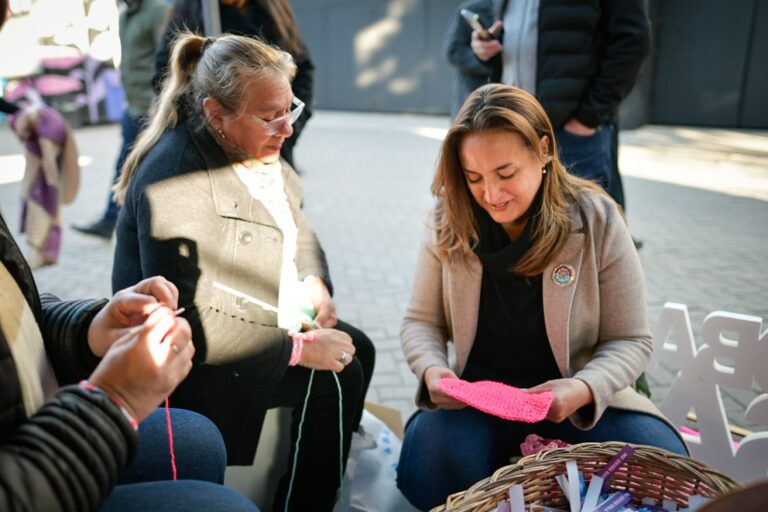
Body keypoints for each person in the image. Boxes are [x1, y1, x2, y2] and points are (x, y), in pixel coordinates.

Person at [112, 32, 374, 511]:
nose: (287, 128)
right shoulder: (176, 174)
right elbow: (190, 322)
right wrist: (298, 349)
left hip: (248, 316)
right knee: (338, 374)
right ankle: (302, 502)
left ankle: (314, 483)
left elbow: (297, 222)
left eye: (289, 108)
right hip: (190, 365)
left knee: (360, 349)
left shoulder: (250, 145)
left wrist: (314, 279)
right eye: (271, 115)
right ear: (216, 113)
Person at [395, 85, 686, 511]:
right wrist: (433, 370)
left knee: (660, 462)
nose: (490, 195)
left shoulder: (596, 218)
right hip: (476, 398)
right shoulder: (448, 220)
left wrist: (583, 388)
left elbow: (631, 340)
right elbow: (421, 322)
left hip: (574, 400)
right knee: (432, 463)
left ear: (544, 150)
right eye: (473, 178)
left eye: (506, 173)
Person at [443, 0, 650, 223]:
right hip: (511, 130)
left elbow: (631, 42)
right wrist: (484, 50)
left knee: (583, 230)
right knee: (510, 232)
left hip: (570, 132)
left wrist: (587, 119)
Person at [154, 0, 314, 168]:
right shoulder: (191, 9)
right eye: (267, 118)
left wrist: (281, 123)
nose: (286, 131)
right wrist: (208, 135)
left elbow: (302, 67)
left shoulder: (273, 7)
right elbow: (165, 74)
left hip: (265, 148)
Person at [74, 0, 171, 240]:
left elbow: (167, 60)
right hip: (133, 106)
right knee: (125, 166)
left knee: (141, 167)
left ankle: (121, 223)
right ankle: (112, 221)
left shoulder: (157, 10)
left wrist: (160, 104)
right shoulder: (125, 14)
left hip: (153, 109)